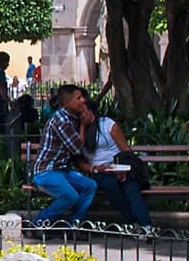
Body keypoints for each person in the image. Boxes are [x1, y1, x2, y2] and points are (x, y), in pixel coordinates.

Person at [29, 85, 97, 230]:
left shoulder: (72, 117)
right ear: (67, 104)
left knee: (90, 186)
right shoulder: (62, 121)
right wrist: (84, 125)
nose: (83, 100)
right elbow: (77, 148)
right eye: (78, 98)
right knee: (71, 196)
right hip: (46, 172)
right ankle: (39, 223)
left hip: (62, 170)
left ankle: (75, 223)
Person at [83, 92, 149, 231]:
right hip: (99, 171)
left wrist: (122, 169)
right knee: (111, 186)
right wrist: (82, 126)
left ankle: (146, 226)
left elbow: (126, 150)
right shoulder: (77, 131)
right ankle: (134, 224)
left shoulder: (107, 124)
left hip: (119, 166)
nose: (83, 115)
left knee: (131, 188)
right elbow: (78, 155)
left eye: (85, 111)